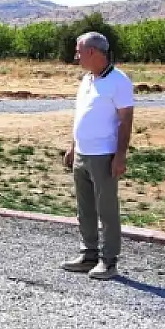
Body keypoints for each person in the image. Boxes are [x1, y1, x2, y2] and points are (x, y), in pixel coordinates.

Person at [60, 31, 133, 280]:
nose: (76, 56)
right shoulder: (87, 80)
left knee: (107, 210)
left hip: (104, 155)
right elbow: (81, 115)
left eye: (79, 51)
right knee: (85, 209)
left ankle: (109, 260)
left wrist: (120, 155)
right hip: (82, 153)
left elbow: (125, 121)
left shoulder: (119, 81)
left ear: (92, 52)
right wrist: (73, 146)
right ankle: (88, 254)